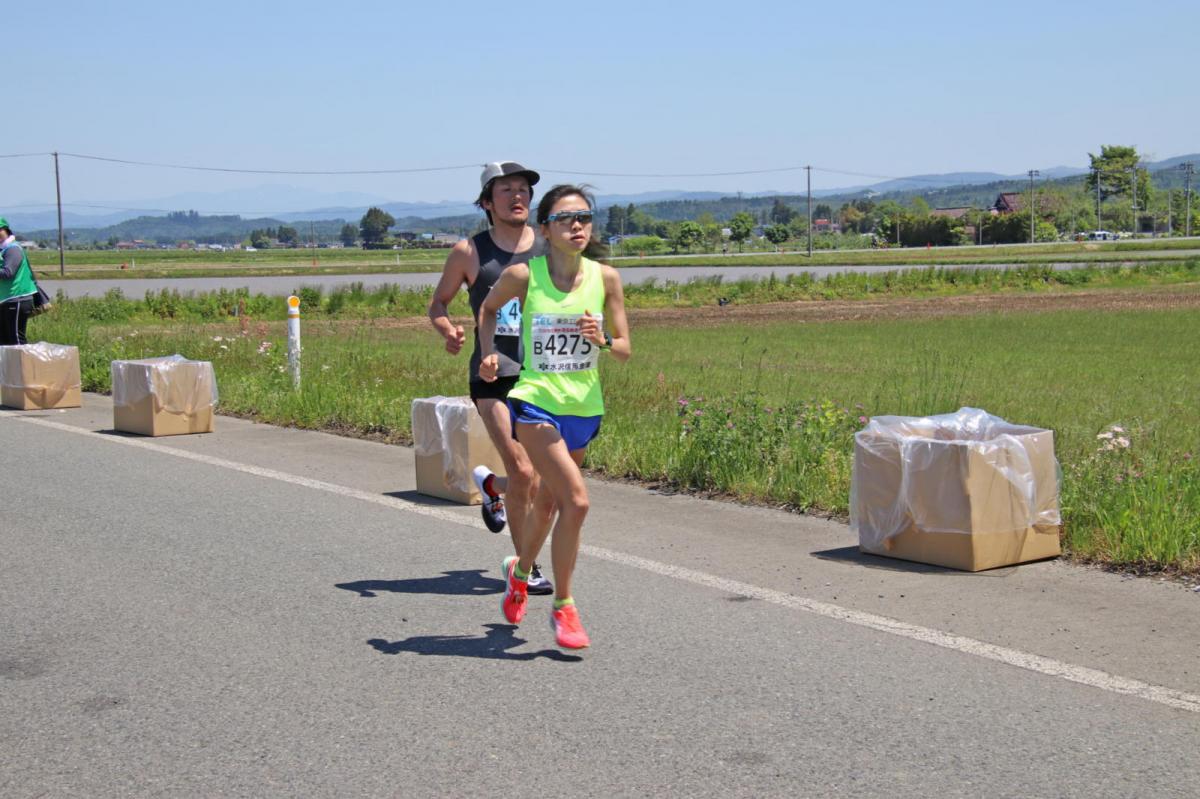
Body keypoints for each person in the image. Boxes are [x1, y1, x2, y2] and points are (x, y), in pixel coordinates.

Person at [478, 184, 631, 649]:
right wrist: (488, 356)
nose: (577, 226)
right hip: (536, 401)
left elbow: (624, 350)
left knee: (547, 504)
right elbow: (487, 311)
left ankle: (520, 573)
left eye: (584, 217)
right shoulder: (525, 277)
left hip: (584, 408)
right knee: (577, 502)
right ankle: (564, 607)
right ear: (545, 229)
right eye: (566, 218)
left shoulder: (606, 279)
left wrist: (601, 339)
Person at [427, 162, 552, 595]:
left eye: (523, 190)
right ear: (486, 201)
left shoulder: (549, 247)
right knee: (522, 467)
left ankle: (489, 486)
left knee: (533, 477)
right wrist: (449, 331)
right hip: (492, 373)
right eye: (506, 190)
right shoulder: (469, 252)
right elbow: (438, 304)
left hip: (542, 375)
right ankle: (526, 566)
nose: (517, 196)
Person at [0, 217, 37, 346]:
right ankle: (8, 366)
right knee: (4, 342)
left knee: (16, 340)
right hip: (6, 300)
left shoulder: (12, 249)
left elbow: (8, 272)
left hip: (17, 300)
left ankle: (23, 366)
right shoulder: (2, 250)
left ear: (5, 230)